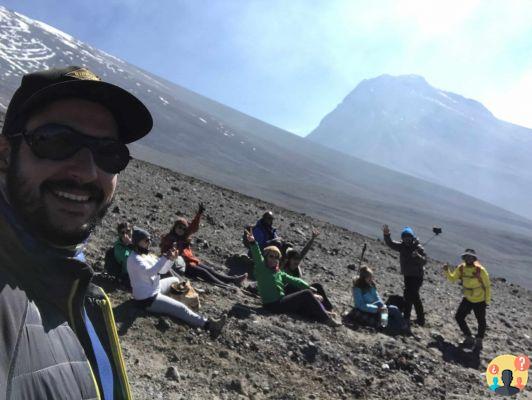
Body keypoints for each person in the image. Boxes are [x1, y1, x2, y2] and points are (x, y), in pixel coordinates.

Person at [0, 66, 153, 399]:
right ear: (5, 154)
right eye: (56, 141)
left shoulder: (79, 288)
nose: (86, 172)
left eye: (108, 153)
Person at [127, 227, 226, 334]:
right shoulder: (134, 260)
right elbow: (150, 272)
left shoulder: (145, 255)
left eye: (149, 240)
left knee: (174, 279)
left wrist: (171, 259)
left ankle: (170, 303)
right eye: (146, 240)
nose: (149, 243)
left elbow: (162, 271)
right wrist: (165, 258)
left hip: (153, 289)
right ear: (138, 242)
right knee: (181, 308)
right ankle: (208, 324)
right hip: (147, 299)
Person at [245, 228, 340, 326]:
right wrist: (253, 242)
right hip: (272, 305)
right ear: (265, 257)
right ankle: (327, 319)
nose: (274, 259)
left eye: (276, 257)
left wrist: (308, 286)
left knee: (305, 296)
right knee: (306, 294)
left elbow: (294, 280)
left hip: (280, 301)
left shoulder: (278, 272)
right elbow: (257, 254)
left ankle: (324, 312)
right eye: (271, 256)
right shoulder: (262, 267)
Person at [160, 203, 247, 286]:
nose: (181, 230)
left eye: (183, 229)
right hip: (181, 265)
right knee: (203, 272)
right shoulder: (168, 238)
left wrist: (199, 214)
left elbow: (192, 227)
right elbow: (164, 254)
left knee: (209, 269)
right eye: (179, 227)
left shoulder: (183, 237)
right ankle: (224, 284)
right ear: (175, 227)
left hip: (190, 261)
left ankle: (232, 279)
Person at [443, 249, 491, 348]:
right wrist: (446, 270)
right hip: (468, 298)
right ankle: (469, 337)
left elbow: (487, 286)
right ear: (464, 258)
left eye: (470, 257)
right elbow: (452, 278)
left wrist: (487, 300)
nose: (468, 258)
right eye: (466, 256)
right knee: (459, 317)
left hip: (480, 300)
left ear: (474, 258)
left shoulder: (480, 270)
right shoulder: (461, 268)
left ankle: (479, 339)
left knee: (481, 320)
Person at [383, 225, 427, 326]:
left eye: (409, 237)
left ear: (412, 237)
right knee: (413, 297)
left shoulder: (418, 247)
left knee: (410, 296)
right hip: (407, 275)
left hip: (417, 276)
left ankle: (409, 318)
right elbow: (390, 243)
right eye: (405, 237)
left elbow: (424, 262)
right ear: (402, 238)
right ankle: (418, 319)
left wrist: (418, 256)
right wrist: (386, 235)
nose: (407, 239)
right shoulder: (401, 246)